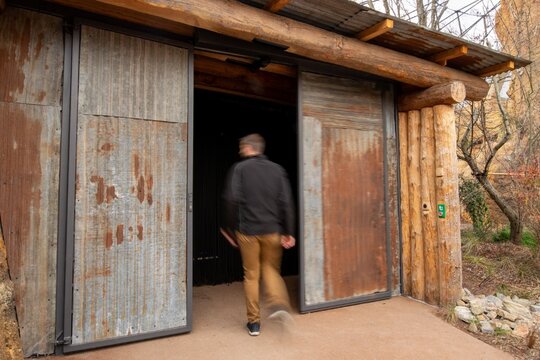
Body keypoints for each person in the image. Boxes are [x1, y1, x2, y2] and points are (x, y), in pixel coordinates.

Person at [221, 133, 296, 337]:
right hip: (273, 231)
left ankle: (254, 324)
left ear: (248, 147)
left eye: (241, 147)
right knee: (271, 270)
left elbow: (231, 199)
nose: (239, 151)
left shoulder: (240, 169)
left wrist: (229, 228)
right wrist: (288, 231)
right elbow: (286, 203)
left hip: (248, 232)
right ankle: (279, 303)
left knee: (251, 275)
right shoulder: (277, 170)